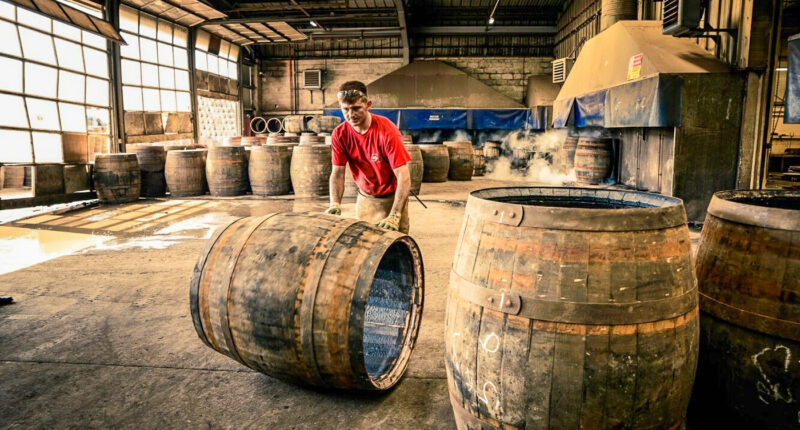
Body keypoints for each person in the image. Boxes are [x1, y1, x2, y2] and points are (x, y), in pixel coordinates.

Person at [325, 81, 412, 233]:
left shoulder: (387, 131)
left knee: (396, 248)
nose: (351, 115)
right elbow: (337, 173)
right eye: (345, 109)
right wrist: (335, 203)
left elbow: (403, 176)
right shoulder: (340, 134)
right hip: (365, 197)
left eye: (356, 108)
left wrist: (395, 215)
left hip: (392, 198)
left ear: (368, 105)